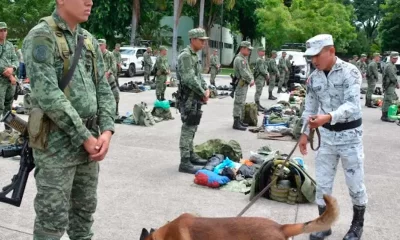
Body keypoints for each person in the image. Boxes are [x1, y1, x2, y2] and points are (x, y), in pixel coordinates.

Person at [22, 0, 116, 238]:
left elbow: (103, 87)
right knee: (51, 221)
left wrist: (106, 130)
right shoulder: (41, 36)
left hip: (89, 147)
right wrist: (84, 136)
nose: (90, 2)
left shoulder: (88, 40)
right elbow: (48, 94)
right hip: (57, 147)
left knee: (84, 217)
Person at [299, 34, 367, 240]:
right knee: (323, 184)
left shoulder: (350, 72)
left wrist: (328, 116)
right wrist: (304, 134)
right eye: (310, 57)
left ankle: (357, 226)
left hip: (349, 137)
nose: (313, 60)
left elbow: (353, 105)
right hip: (326, 137)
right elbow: (309, 108)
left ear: (331, 51)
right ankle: (324, 224)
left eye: (316, 55)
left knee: (355, 184)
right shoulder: (314, 77)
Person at [177, 28, 210, 174]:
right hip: (189, 98)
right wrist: (203, 92)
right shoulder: (185, 56)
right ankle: (184, 161)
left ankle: (190, 155)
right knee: (188, 128)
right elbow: (189, 78)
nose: (203, 43)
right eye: (201, 40)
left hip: (195, 97)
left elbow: (198, 76)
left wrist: (206, 89)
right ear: (193, 40)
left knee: (193, 126)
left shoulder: (193, 56)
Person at [0, 22, 18, 133]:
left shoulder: (10, 45)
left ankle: (8, 129)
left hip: (10, 81)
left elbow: (15, 59)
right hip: (1, 80)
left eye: (4, 30)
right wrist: (10, 74)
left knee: (9, 105)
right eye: (0, 31)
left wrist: (13, 68)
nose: (3, 33)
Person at [232, 41, 254, 131]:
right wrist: (250, 79)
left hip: (244, 83)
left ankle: (239, 120)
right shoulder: (239, 59)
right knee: (238, 102)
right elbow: (243, 72)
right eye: (248, 49)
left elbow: (248, 70)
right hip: (240, 83)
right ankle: (236, 122)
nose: (249, 51)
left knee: (241, 102)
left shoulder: (243, 58)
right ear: (243, 48)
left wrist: (251, 78)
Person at [99, 39, 120, 116]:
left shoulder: (110, 54)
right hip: (100, 78)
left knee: (115, 93)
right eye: (98, 45)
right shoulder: (97, 55)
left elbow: (114, 65)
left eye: (101, 45)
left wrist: (108, 73)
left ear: (105, 45)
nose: (99, 47)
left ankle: (116, 110)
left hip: (109, 77)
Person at [381, 51, 399, 122]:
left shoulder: (391, 64)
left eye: (397, 58)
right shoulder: (389, 66)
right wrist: (397, 83)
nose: (396, 60)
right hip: (389, 85)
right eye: (394, 58)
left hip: (390, 85)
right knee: (388, 100)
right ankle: (385, 116)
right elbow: (392, 76)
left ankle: (387, 114)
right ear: (391, 58)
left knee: (391, 98)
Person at [253, 47, 269, 111]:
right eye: (262, 51)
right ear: (259, 52)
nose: (264, 52)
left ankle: (258, 104)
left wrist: (266, 73)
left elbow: (265, 68)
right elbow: (262, 69)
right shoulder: (259, 60)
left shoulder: (262, 59)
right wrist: (266, 75)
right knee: (258, 91)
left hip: (261, 78)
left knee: (259, 91)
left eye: (264, 51)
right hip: (259, 78)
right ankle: (256, 105)